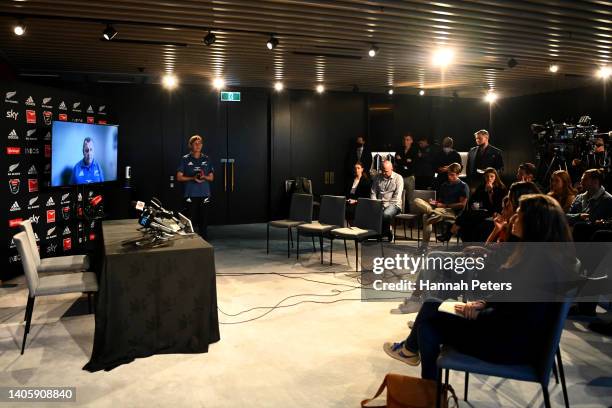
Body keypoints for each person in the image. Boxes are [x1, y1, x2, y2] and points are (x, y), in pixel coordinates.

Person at [383, 194, 575, 380]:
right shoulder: (542, 258)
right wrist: (483, 303)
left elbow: (517, 316)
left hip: (508, 346)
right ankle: (414, 360)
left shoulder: (536, 267)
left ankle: (423, 378)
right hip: (511, 336)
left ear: (534, 224)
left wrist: (479, 313)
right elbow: (511, 302)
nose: (514, 218)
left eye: (519, 214)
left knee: (428, 323)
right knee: (431, 307)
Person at [413, 163, 468, 248]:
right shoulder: (444, 185)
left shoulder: (463, 186)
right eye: (448, 174)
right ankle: (433, 212)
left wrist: (445, 205)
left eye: (452, 175)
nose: (450, 177)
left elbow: (462, 205)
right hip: (440, 209)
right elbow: (440, 201)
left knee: (425, 216)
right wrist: (434, 202)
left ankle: (424, 246)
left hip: (453, 212)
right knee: (417, 200)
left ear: (458, 174)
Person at [452, 167, 507, 242]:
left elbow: (497, 205)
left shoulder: (501, 188)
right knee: (468, 215)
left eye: (492, 176)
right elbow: (473, 201)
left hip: (494, 212)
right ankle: (460, 232)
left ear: (495, 177)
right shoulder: (481, 187)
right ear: (484, 177)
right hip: (482, 211)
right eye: (487, 176)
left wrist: (490, 192)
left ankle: (453, 229)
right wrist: (477, 204)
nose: (489, 178)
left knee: (471, 217)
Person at [176, 134, 214, 239]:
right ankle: (189, 242)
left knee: (204, 220)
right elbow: (179, 177)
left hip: (204, 194)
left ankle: (205, 242)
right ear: (190, 145)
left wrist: (204, 176)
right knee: (189, 220)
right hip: (190, 194)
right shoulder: (185, 159)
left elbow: (211, 178)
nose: (198, 145)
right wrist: (193, 178)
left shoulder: (207, 159)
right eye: (195, 143)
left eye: (200, 143)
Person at [371, 160, 403, 241]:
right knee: (368, 210)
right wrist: (375, 203)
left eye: (386, 171)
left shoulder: (398, 178)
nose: (384, 173)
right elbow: (373, 192)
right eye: (382, 171)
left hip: (394, 205)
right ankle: (382, 232)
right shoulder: (377, 177)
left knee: (386, 214)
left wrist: (385, 206)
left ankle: (383, 233)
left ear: (392, 168)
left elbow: (397, 197)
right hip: (379, 203)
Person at [395, 133, 417, 207]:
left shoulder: (414, 150)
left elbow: (413, 164)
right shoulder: (399, 149)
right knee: (399, 197)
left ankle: (411, 216)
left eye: (407, 140)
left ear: (411, 141)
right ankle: (400, 215)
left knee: (410, 198)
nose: (405, 141)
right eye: (404, 139)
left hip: (410, 177)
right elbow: (397, 161)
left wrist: (401, 160)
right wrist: (406, 162)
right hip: (400, 177)